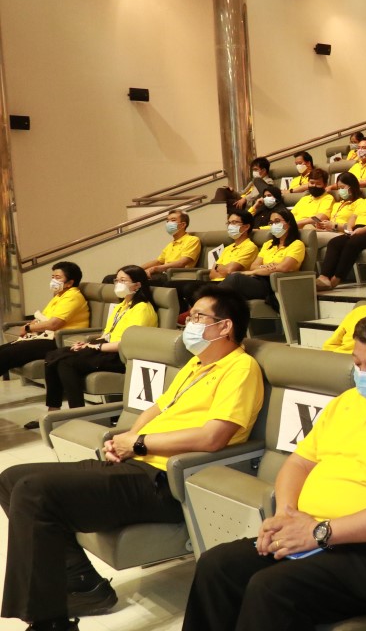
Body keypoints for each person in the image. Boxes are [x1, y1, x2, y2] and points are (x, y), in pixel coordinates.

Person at [183, 307, 366, 631]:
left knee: (272, 588)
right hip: (313, 530)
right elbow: (299, 462)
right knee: (217, 565)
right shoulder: (348, 402)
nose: (362, 374)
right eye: (357, 364)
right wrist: (286, 514)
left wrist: (319, 533)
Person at [2, 286, 263, 631]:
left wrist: (138, 445)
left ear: (225, 326)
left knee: (34, 491)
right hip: (135, 464)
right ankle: (81, 582)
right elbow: (158, 408)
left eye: (199, 317)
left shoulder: (241, 368)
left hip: (164, 479)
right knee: (11, 478)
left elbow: (213, 437)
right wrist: (125, 439)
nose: (189, 323)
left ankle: (49, 621)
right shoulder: (197, 365)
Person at [32, 266, 158, 429]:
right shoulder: (122, 305)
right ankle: (54, 410)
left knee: (65, 362)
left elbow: (127, 344)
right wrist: (87, 344)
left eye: (123, 280)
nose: (118, 284)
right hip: (106, 348)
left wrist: (96, 347)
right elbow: (108, 334)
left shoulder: (142, 309)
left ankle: (78, 414)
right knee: (53, 355)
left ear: (137, 285)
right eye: (117, 280)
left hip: (121, 355)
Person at [0, 262, 89, 385]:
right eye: (52, 277)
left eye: (58, 277)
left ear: (70, 282)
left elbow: (54, 324)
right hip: (46, 336)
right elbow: (44, 317)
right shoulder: (59, 296)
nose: (53, 280)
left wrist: (28, 328)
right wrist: (32, 324)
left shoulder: (73, 297)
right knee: (3, 350)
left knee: (6, 355)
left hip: (58, 340)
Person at [222, 209, 307, 304]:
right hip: (259, 280)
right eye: (271, 222)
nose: (274, 225)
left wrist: (253, 272)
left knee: (236, 279)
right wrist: (267, 267)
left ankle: (213, 299)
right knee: (231, 294)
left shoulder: (296, 244)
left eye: (277, 221)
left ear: (289, 223)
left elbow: (284, 267)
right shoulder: (268, 244)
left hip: (274, 284)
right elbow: (253, 266)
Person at [140, 210, 200, 280]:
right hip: (165, 274)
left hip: (177, 275)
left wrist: (154, 269)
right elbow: (158, 261)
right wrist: (138, 269)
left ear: (183, 225)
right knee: (134, 275)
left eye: (173, 220)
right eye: (167, 221)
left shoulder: (192, 240)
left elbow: (181, 263)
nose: (169, 223)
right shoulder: (170, 244)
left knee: (141, 279)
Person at [312, 172, 363, 246]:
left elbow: (355, 227)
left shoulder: (360, 203)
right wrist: (322, 225)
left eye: (342, 188)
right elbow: (329, 222)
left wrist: (334, 226)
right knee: (307, 228)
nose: (340, 190)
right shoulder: (337, 204)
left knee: (310, 237)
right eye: (338, 188)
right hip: (329, 232)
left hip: (342, 234)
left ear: (352, 187)